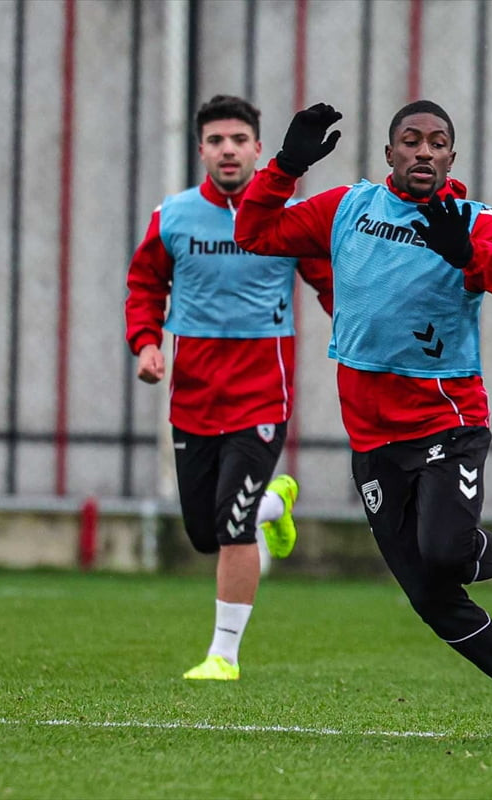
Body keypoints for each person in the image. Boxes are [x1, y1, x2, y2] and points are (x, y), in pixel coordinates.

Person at [233, 99, 492, 744]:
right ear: (390, 153)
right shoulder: (348, 207)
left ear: (452, 157)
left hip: (447, 421)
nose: (424, 151)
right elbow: (254, 233)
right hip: (371, 436)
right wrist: (283, 167)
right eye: (411, 141)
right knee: (430, 596)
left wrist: (470, 256)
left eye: (437, 142)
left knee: (445, 553)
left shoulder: (472, 220)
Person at [124, 94, 333, 681]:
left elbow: (328, 281)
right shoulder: (173, 216)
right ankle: (276, 502)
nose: (228, 150)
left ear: (259, 148)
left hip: (262, 390)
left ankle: (224, 656)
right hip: (192, 395)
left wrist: (362, 332)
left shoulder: (284, 215)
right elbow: (145, 285)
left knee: (231, 526)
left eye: (239, 140)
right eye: (216, 141)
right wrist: (145, 342)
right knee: (202, 531)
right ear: (201, 151)